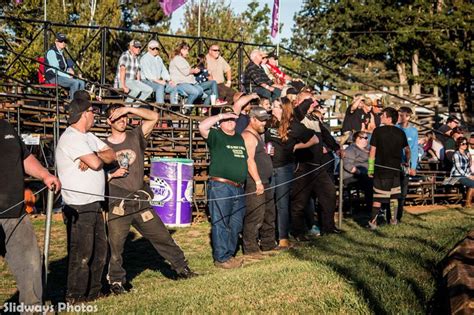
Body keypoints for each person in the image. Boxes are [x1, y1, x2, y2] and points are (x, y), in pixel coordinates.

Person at [104, 104, 197, 295]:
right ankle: (116, 282)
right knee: (116, 245)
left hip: (140, 201)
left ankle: (182, 268)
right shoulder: (102, 146)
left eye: (124, 117)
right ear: (108, 121)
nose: (123, 120)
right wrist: (111, 175)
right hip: (117, 203)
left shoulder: (134, 136)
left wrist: (129, 109)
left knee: (161, 235)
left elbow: (154, 117)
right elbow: (94, 171)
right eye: (117, 117)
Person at [56, 98, 116, 303]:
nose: (94, 115)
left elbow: (111, 154)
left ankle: (93, 292)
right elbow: (97, 164)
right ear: (84, 114)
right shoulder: (71, 138)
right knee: (82, 253)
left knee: (100, 250)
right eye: (92, 111)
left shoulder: (89, 137)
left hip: (94, 202)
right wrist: (93, 158)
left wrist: (93, 156)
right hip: (78, 204)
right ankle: (75, 295)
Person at [0, 119, 61, 308]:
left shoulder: (5, 126)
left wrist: (44, 174)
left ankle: (33, 309)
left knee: (31, 264)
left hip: (15, 211)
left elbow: (24, 157)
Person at [265, 97, 318, 247]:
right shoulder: (269, 122)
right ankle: (268, 237)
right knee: (268, 202)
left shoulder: (295, 126)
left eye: (275, 106)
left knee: (282, 203)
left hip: (284, 168)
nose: (272, 109)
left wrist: (297, 147)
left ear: (284, 109)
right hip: (268, 166)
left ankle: (283, 237)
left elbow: (314, 140)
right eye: (273, 106)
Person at [198, 108, 248, 269]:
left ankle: (229, 254)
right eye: (227, 119)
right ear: (220, 122)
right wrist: (221, 115)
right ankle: (221, 258)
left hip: (239, 187)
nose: (230, 121)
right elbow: (202, 127)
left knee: (236, 223)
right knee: (220, 222)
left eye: (232, 119)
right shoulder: (216, 135)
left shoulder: (240, 138)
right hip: (221, 186)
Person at [241, 107, 276, 257]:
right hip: (255, 182)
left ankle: (268, 244)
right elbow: (249, 160)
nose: (264, 123)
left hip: (265, 181)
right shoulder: (248, 136)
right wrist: (257, 181)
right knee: (255, 215)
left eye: (265, 120)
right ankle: (251, 249)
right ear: (252, 119)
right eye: (261, 120)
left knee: (269, 214)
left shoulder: (258, 135)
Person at [368, 107, 410, 229]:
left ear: (389, 118)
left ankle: (373, 223)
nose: (380, 117)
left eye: (382, 115)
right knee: (394, 196)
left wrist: (370, 168)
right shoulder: (401, 132)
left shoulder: (378, 131)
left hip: (380, 170)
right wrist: (407, 162)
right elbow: (407, 150)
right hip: (395, 169)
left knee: (378, 197)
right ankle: (393, 221)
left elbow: (372, 151)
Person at [45, 32, 85, 100]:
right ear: (56, 42)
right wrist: (68, 75)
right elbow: (55, 69)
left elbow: (63, 68)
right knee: (74, 82)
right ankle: (73, 107)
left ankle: (80, 103)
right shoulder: (51, 52)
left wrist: (69, 71)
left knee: (82, 82)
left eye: (64, 41)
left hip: (61, 76)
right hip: (53, 77)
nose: (63, 43)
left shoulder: (62, 54)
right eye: (61, 41)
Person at [396, 106, 418, 222]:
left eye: (401, 115)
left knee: (403, 193)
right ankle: (389, 214)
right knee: (393, 191)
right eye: (398, 115)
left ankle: (399, 216)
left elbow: (414, 149)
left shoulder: (413, 131)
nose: (399, 117)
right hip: (394, 164)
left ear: (408, 117)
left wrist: (413, 167)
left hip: (406, 166)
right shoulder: (394, 128)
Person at [140, 40, 179, 105]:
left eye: (157, 48)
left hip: (156, 81)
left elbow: (163, 70)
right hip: (146, 81)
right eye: (153, 48)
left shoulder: (159, 58)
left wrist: (169, 80)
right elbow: (148, 75)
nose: (155, 50)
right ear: (148, 48)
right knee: (160, 86)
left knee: (173, 87)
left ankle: (174, 107)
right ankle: (160, 107)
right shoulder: (145, 58)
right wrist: (159, 81)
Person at [114, 40, 153, 104]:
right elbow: (122, 70)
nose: (138, 49)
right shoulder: (125, 55)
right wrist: (123, 86)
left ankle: (135, 106)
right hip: (124, 80)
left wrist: (139, 82)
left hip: (133, 81)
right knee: (136, 90)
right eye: (136, 47)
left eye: (139, 47)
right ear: (131, 47)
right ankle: (126, 106)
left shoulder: (136, 58)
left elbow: (138, 72)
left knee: (149, 90)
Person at [342, 131, 372, 212]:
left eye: (367, 138)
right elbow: (348, 165)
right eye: (365, 138)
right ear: (358, 139)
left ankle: (380, 207)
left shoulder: (368, 149)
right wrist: (361, 173)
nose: (367, 140)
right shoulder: (351, 149)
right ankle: (371, 209)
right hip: (352, 177)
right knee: (370, 182)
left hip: (365, 175)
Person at [449, 137, 473, 207]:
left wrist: (470, 158)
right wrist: (469, 176)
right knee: (473, 184)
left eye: (466, 143)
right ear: (459, 144)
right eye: (463, 144)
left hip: (465, 174)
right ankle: (467, 203)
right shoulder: (456, 154)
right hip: (457, 175)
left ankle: (470, 201)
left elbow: (468, 166)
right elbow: (459, 168)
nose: (465, 145)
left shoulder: (466, 154)